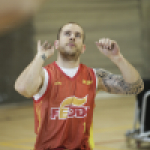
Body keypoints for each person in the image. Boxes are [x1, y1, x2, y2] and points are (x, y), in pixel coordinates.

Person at [15, 22, 144, 150]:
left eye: (77, 35)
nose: (72, 37)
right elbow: (23, 89)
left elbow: (135, 87)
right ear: (57, 44)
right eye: (67, 34)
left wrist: (117, 58)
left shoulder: (94, 76)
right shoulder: (43, 74)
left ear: (83, 48)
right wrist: (40, 57)